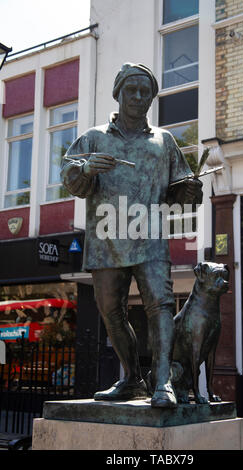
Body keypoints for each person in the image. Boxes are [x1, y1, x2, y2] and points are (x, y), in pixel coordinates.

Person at [61, 63, 203, 408]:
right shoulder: (94, 138)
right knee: (110, 310)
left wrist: (190, 191)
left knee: (161, 304)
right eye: (132, 90)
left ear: (152, 98)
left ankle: (163, 381)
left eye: (145, 91)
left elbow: (182, 191)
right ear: (118, 94)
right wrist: (85, 167)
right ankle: (130, 379)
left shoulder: (164, 141)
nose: (138, 97)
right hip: (107, 236)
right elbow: (70, 178)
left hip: (151, 234)